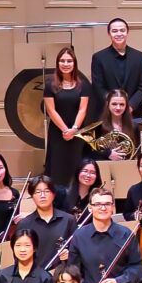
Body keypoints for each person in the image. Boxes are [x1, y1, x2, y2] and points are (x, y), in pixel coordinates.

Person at [42, 45, 94, 186]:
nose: (66, 64)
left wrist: (74, 129)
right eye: (62, 61)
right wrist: (65, 130)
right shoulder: (50, 85)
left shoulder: (83, 85)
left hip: (77, 132)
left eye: (69, 61)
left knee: (76, 166)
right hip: (58, 132)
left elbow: (83, 109)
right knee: (57, 167)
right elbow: (51, 111)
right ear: (58, 63)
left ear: (74, 63)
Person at [88, 18, 142, 123]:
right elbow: (98, 87)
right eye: (114, 31)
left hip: (133, 114)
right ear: (109, 34)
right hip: (108, 115)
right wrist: (115, 106)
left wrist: (129, 107)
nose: (119, 34)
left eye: (122, 30)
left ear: (127, 32)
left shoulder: (139, 56)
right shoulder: (99, 57)